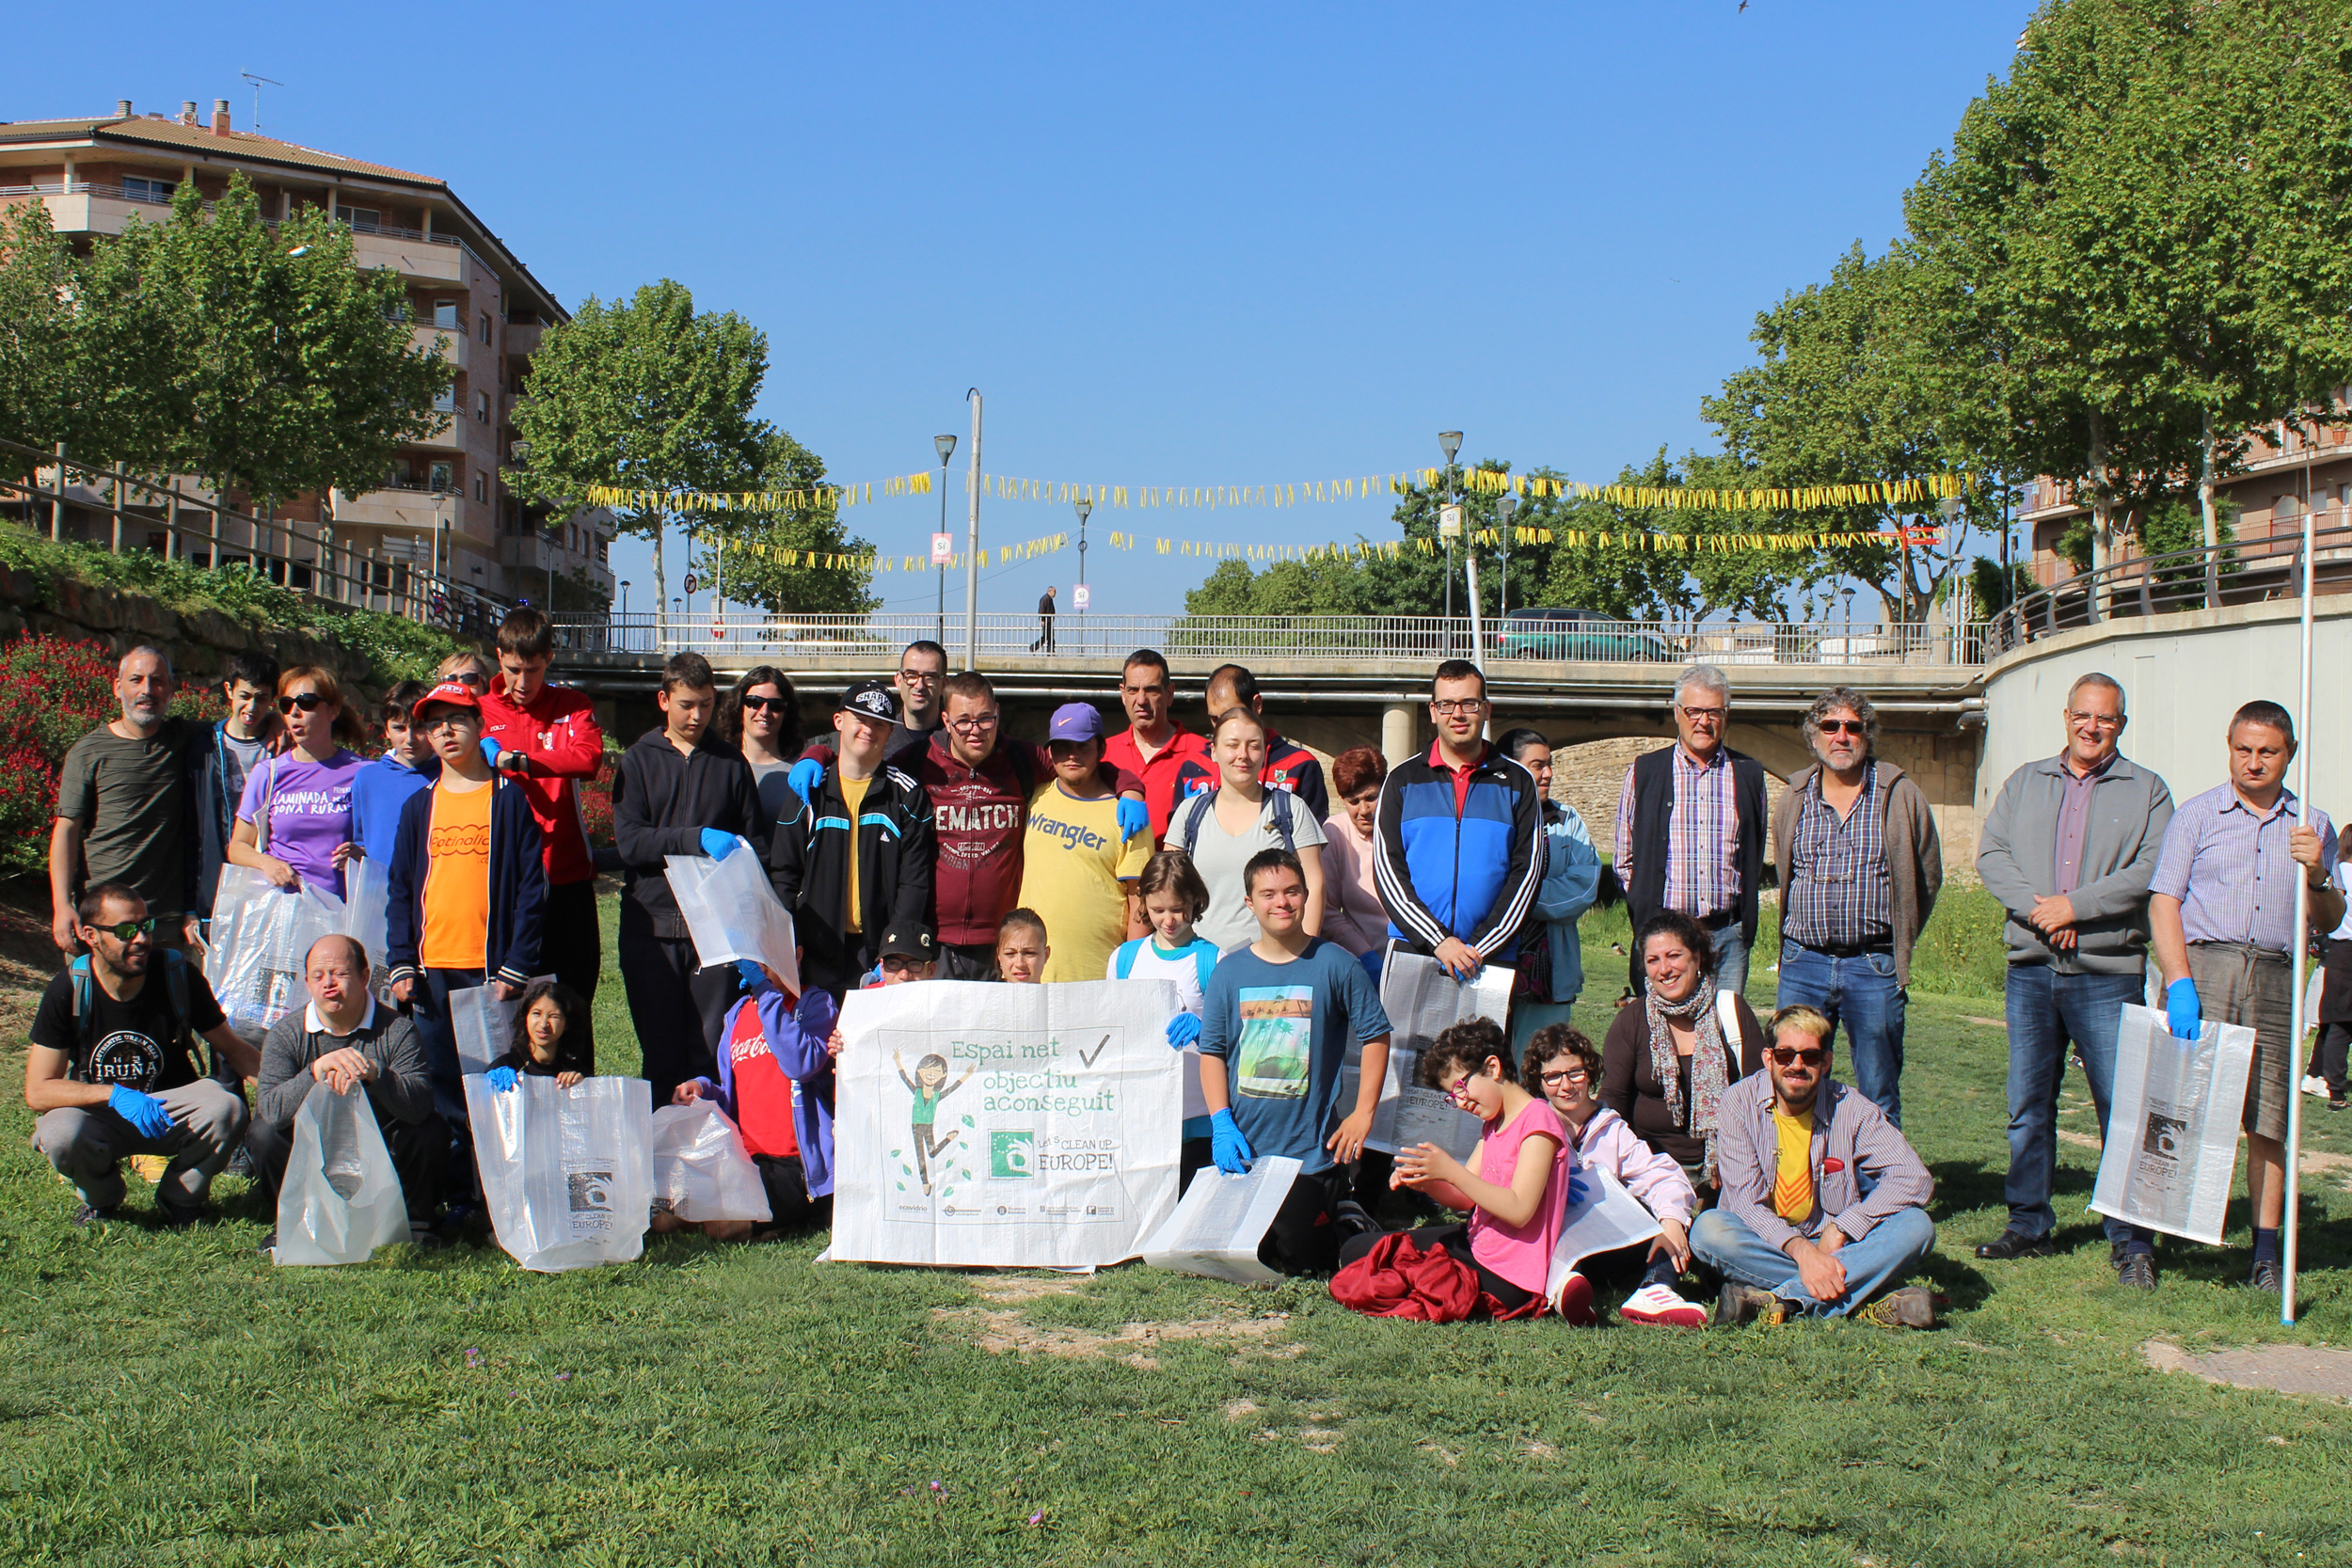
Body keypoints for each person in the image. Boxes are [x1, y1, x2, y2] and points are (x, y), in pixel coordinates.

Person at [1972, 672, 2174, 1271]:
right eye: (2083, 716)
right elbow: (1991, 855)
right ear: (2066, 717)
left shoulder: (2147, 791)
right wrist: (2043, 911)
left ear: (2121, 725)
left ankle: (2129, 1238)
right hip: (2033, 969)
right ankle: (2029, 1223)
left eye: (2105, 719)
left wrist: (2076, 907)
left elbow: (2149, 869)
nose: (2092, 727)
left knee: (2120, 1104)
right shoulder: (2025, 781)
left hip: (2108, 974)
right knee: (2028, 1102)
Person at [2148, 699, 2343, 1295]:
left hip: (2279, 973)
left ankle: (2265, 1253)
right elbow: (2164, 901)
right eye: (2243, 749)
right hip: (2205, 966)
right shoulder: (2198, 815)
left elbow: (2331, 917)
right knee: (2174, 1107)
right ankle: (2141, 1240)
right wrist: (2178, 980)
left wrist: (2314, 875)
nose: (2254, 762)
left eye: (2268, 752)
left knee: (2270, 1117)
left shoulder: (2312, 825)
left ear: (2290, 755)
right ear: (2229, 747)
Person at [803, 671, 1144, 979]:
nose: (976, 730)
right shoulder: (920, 760)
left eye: (985, 719)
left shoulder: (1021, 759)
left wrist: (1129, 786)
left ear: (997, 715)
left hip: (1001, 947)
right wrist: (816, 755)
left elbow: (1076, 764)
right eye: (963, 721)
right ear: (946, 721)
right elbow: (864, 762)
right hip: (932, 942)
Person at [1197, 848, 1393, 1275]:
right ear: (1249, 903)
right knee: (1239, 1258)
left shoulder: (1336, 964)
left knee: (1301, 1264)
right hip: (1245, 1148)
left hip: (1308, 1155)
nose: (1281, 903)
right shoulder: (1229, 973)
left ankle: (1344, 1212)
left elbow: (1377, 1034)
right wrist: (1221, 1123)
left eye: (1291, 891)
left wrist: (1363, 1113)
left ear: (1306, 895)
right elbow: (1211, 1051)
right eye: (1267, 894)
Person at [1695, 1005, 1939, 1327]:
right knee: (1707, 1231)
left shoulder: (1852, 1108)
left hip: (1836, 1243)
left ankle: (1781, 1299)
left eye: (1810, 1057)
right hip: (1765, 1243)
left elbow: (1914, 1178)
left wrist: (1844, 1228)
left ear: (1826, 1063)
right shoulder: (1738, 1102)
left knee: (1917, 1226)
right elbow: (1745, 1205)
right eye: (1785, 1055)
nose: (1797, 1065)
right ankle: (1862, 1296)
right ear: (1769, 1058)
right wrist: (1803, 1253)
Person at [26, 882, 255, 1226]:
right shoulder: (70, 988)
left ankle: (180, 1197)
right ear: (91, 935)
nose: (142, 940)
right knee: (59, 1132)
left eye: (145, 926)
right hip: (103, 1115)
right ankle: (102, 1200)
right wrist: (114, 1095)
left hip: (169, 1111)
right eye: (126, 931)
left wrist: (287, 1095)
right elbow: (38, 1090)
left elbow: (234, 1049)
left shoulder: (176, 974)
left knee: (227, 1108)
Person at [386, 680, 548, 1150]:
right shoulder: (420, 806)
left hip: (491, 970)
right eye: (434, 724)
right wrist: (401, 959)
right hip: (431, 969)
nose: (445, 731)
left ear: (480, 725)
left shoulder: (508, 800)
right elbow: (400, 890)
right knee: (441, 1083)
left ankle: (496, 1190)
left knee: (498, 1077)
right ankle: (454, 1192)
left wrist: (516, 963)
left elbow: (530, 891)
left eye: (456, 719)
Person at [1771, 687, 1942, 1129]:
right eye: (1830, 726)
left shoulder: (1899, 795)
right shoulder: (1794, 797)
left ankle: (1882, 1191)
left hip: (1873, 966)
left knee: (1878, 1089)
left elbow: (1927, 877)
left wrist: (1898, 937)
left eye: (1852, 726)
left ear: (1867, 735)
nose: (1841, 736)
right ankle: (1799, 1186)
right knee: (1794, 1082)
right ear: (1815, 736)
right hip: (1802, 962)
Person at [612, 651, 767, 1107]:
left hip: (713, 932)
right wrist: (695, 838)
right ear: (664, 700)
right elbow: (630, 843)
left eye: (704, 703)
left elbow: (753, 844)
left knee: (709, 1053)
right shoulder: (639, 760)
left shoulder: (730, 763)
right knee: (660, 1055)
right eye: (685, 704)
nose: (696, 715)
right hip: (650, 931)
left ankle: (713, 1163)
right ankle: (661, 1161)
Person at [1338, 1017, 1567, 1319]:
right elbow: (1466, 1199)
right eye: (1453, 1095)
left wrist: (1450, 1171)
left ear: (1493, 1068)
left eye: (1460, 1088)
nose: (1460, 1102)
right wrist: (1428, 1180)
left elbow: (1520, 1210)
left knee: (1377, 1273)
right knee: (1356, 1251)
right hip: (1475, 1243)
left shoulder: (1538, 1121)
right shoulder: (1494, 1123)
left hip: (1507, 1275)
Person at [247, 934, 446, 1251]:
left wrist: (375, 1074)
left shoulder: (398, 1030)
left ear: (365, 977)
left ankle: (418, 1226)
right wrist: (315, 1072)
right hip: (313, 1141)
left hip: (379, 1142)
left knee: (430, 1130)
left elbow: (420, 1106)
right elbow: (270, 1109)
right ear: (308, 982)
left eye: (339, 973)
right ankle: (289, 1222)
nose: (328, 984)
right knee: (263, 1133)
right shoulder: (286, 1033)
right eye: (318, 976)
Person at [1371, 659, 1546, 981]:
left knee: (1488, 1036)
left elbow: (1528, 872)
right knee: (1408, 1036)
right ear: (1433, 711)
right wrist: (1439, 941)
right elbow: (1388, 871)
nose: (1458, 714)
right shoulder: (1402, 780)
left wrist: (1480, 945)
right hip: (1415, 950)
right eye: (1447, 704)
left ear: (1486, 709)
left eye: (1469, 703)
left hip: (1491, 956)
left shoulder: (1518, 782)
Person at [1523, 1023, 1708, 1328]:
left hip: (1608, 1239)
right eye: (1553, 1077)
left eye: (1575, 1073)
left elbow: (1659, 1174)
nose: (1566, 1086)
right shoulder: (1533, 1129)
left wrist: (1671, 1222)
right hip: (1559, 1239)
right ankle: (1563, 1287)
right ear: (1539, 1083)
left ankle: (1655, 1290)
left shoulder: (1611, 1129)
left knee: (1664, 1216)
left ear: (1590, 1073)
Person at [770, 680, 935, 999]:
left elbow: (914, 883)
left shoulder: (908, 796)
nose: (868, 730)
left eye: (879, 724)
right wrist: (785, 944)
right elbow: (784, 874)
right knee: (816, 1046)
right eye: (860, 719)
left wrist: (895, 951)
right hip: (813, 952)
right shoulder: (808, 790)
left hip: (879, 955)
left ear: (890, 733)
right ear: (839, 721)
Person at [480, 607, 608, 1015]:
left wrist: (519, 762)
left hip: (566, 877)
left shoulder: (572, 704)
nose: (522, 682)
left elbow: (587, 759)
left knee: (572, 1007)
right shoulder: (480, 710)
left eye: (532, 670)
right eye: (514, 669)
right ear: (498, 656)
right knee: (510, 1010)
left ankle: (576, 1079)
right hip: (506, 881)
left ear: (549, 659)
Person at [1613, 664, 1767, 999]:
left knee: (1725, 1037)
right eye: (1694, 711)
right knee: (1663, 1039)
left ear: (1726, 715)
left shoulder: (1749, 774)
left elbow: (1752, 856)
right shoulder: (1645, 772)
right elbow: (1624, 859)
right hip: (1664, 937)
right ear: (1677, 713)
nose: (1704, 721)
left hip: (1726, 937)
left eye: (1714, 712)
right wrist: (1647, 907)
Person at [50, 645, 205, 956]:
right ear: (118, 687)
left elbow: (239, 731)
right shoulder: (88, 752)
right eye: (136, 679)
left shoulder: (184, 738)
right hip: (101, 924)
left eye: (158, 680)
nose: (147, 690)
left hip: (163, 926)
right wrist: (62, 905)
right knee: (90, 1004)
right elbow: (66, 831)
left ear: (171, 689)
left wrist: (273, 722)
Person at [672, 958, 841, 1235]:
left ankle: (795, 1214)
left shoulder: (815, 1003)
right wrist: (701, 1088)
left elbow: (803, 1064)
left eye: (768, 956)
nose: (759, 965)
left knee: (721, 1227)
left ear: (796, 955)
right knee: (666, 1220)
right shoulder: (737, 1014)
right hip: (747, 1159)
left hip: (795, 1162)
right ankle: (771, 1219)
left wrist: (766, 994)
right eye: (753, 958)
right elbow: (731, 1094)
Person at [1599, 911, 1767, 1186]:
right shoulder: (1632, 1020)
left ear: (1697, 958)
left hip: (1730, 1169)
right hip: (1650, 1171)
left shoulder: (1730, 1011)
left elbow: (1759, 1097)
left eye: (1674, 956)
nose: (1664, 969)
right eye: (1653, 960)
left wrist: (1739, 1161)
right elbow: (1613, 1100)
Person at [1168, 707, 1326, 955]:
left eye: (1253, 746)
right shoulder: (1189, 813)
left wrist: (1303, 956)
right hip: (1199, 960)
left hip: (1274, 960)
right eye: (1232, 745)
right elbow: (1168, 888)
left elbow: (1314, 884)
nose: (1243, 755)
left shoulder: (1292, 809)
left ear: (1264, 753)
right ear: (1214, 752)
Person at [1016, 704, 1154, 981]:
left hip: (1097, 976)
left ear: (1101, 749)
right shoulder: (1035, 795)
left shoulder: (1127, 813)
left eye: (1082, 746)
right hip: (1029, 974)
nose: (1072, 755)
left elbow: (1139, 897)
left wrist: (1129, 972)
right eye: (1062, 746)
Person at [1108, 851, 1222, 1187]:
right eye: (1158, 911)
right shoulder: (1125, 959)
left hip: (1199, 1114)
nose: (1169, 920)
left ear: (1195, 901)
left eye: (1177, 909)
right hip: (1145, 1114)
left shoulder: (1212, 959)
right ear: (1143, 903)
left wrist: (1206, 1034)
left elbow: (1234, 1038)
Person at [1496, 727, 1603, 1041]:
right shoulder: (1488, 821)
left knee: (1542, 1064)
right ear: (1512, 768)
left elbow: (1584, 886)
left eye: (1550, 763)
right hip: (1495, 962)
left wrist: (1516, 898)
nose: (1549, 773)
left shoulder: (1567, 821)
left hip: (1552, 973)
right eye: (1538, 765)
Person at [227, 666, 370, 901]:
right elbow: (238, 847)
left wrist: (362, 854)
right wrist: (267, 863)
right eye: (286, 704)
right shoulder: (268, 773)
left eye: (306, 702)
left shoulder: (363, 773)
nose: (295, 712)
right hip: (279, 908)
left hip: (339, 910)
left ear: (332, 710)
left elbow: (390, 842)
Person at [191, 649, 280, 931]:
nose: (252, 707)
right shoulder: (203, 747)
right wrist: (188, 907)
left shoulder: (284, 750)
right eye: (245, 695)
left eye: (262, 698)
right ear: (229, 690)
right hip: (215, 893)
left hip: (270, 891)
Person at [1171, 664, 1330, 819]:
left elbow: (1314, 838)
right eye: (1214, 719)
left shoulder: (1300, 765)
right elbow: (1179, 837)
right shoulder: (1193, 767)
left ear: (1256, 705)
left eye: (1231, 715)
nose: (1223, 727)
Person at [1103, 648, 1213, 843]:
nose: (1141, 700)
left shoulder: (1207, 754)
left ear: (1169, 693)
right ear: (1122, 694)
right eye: (1133, 690)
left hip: (1177, 872)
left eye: (1151, 690)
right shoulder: (1102, 754)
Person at [1317, 746, 1390, 984]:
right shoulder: (1335, 831)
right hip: (1360, 962)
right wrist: (1364, 955)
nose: (1364, 810)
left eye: (1371, 798)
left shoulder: (1402, 826)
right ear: (1342, 800)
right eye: (1353, 801)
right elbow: (1327, 912)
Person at [351, 681, 436, 863]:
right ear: (386, 731)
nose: (410, 738)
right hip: (382, 888)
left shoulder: (450, 775)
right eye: (399, 728)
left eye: (419, 726)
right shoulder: (367, 778)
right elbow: (361, 843)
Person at [724, 665, 804, 822]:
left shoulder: (800, 771)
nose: (764, 712)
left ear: (787, 712)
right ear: (739, 707)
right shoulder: (720, 766)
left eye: (776, 705)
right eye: (754, 702)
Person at [483, 979, 595, 1086]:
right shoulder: (505, 1067)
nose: (543, 1024)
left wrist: (583, 1088)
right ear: (525, 1018)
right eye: (537, 1013)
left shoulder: (576, 1072)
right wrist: (489, 1085)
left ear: (567, 1024)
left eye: (554, 1016)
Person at [2310, 832, 2352, 1114]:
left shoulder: (2336, 872)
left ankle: (2317, 1074)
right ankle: (2334, 1089)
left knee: (2333, 1020)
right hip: (2346, 951)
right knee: (2342, 1025)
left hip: (2336, 952)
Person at [994, 909, 1050, 982]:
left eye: (1029, 953)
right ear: (999, 956)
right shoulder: (981, 993)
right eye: (1010, 953)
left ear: (1046, 955)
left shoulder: (1063, 993)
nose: (1020, 964)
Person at [1031, 585, 1057, 652]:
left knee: (1049, 637)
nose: (1055, 593)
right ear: (1050, 591)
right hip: (1047, 621)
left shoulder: (1049, 599)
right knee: (1047, 637)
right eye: (1054, 591)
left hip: (1049, 621)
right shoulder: (1045, 599)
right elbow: (1042, 610)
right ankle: (1033, 647)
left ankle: (1050, 651)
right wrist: (1042, 620)